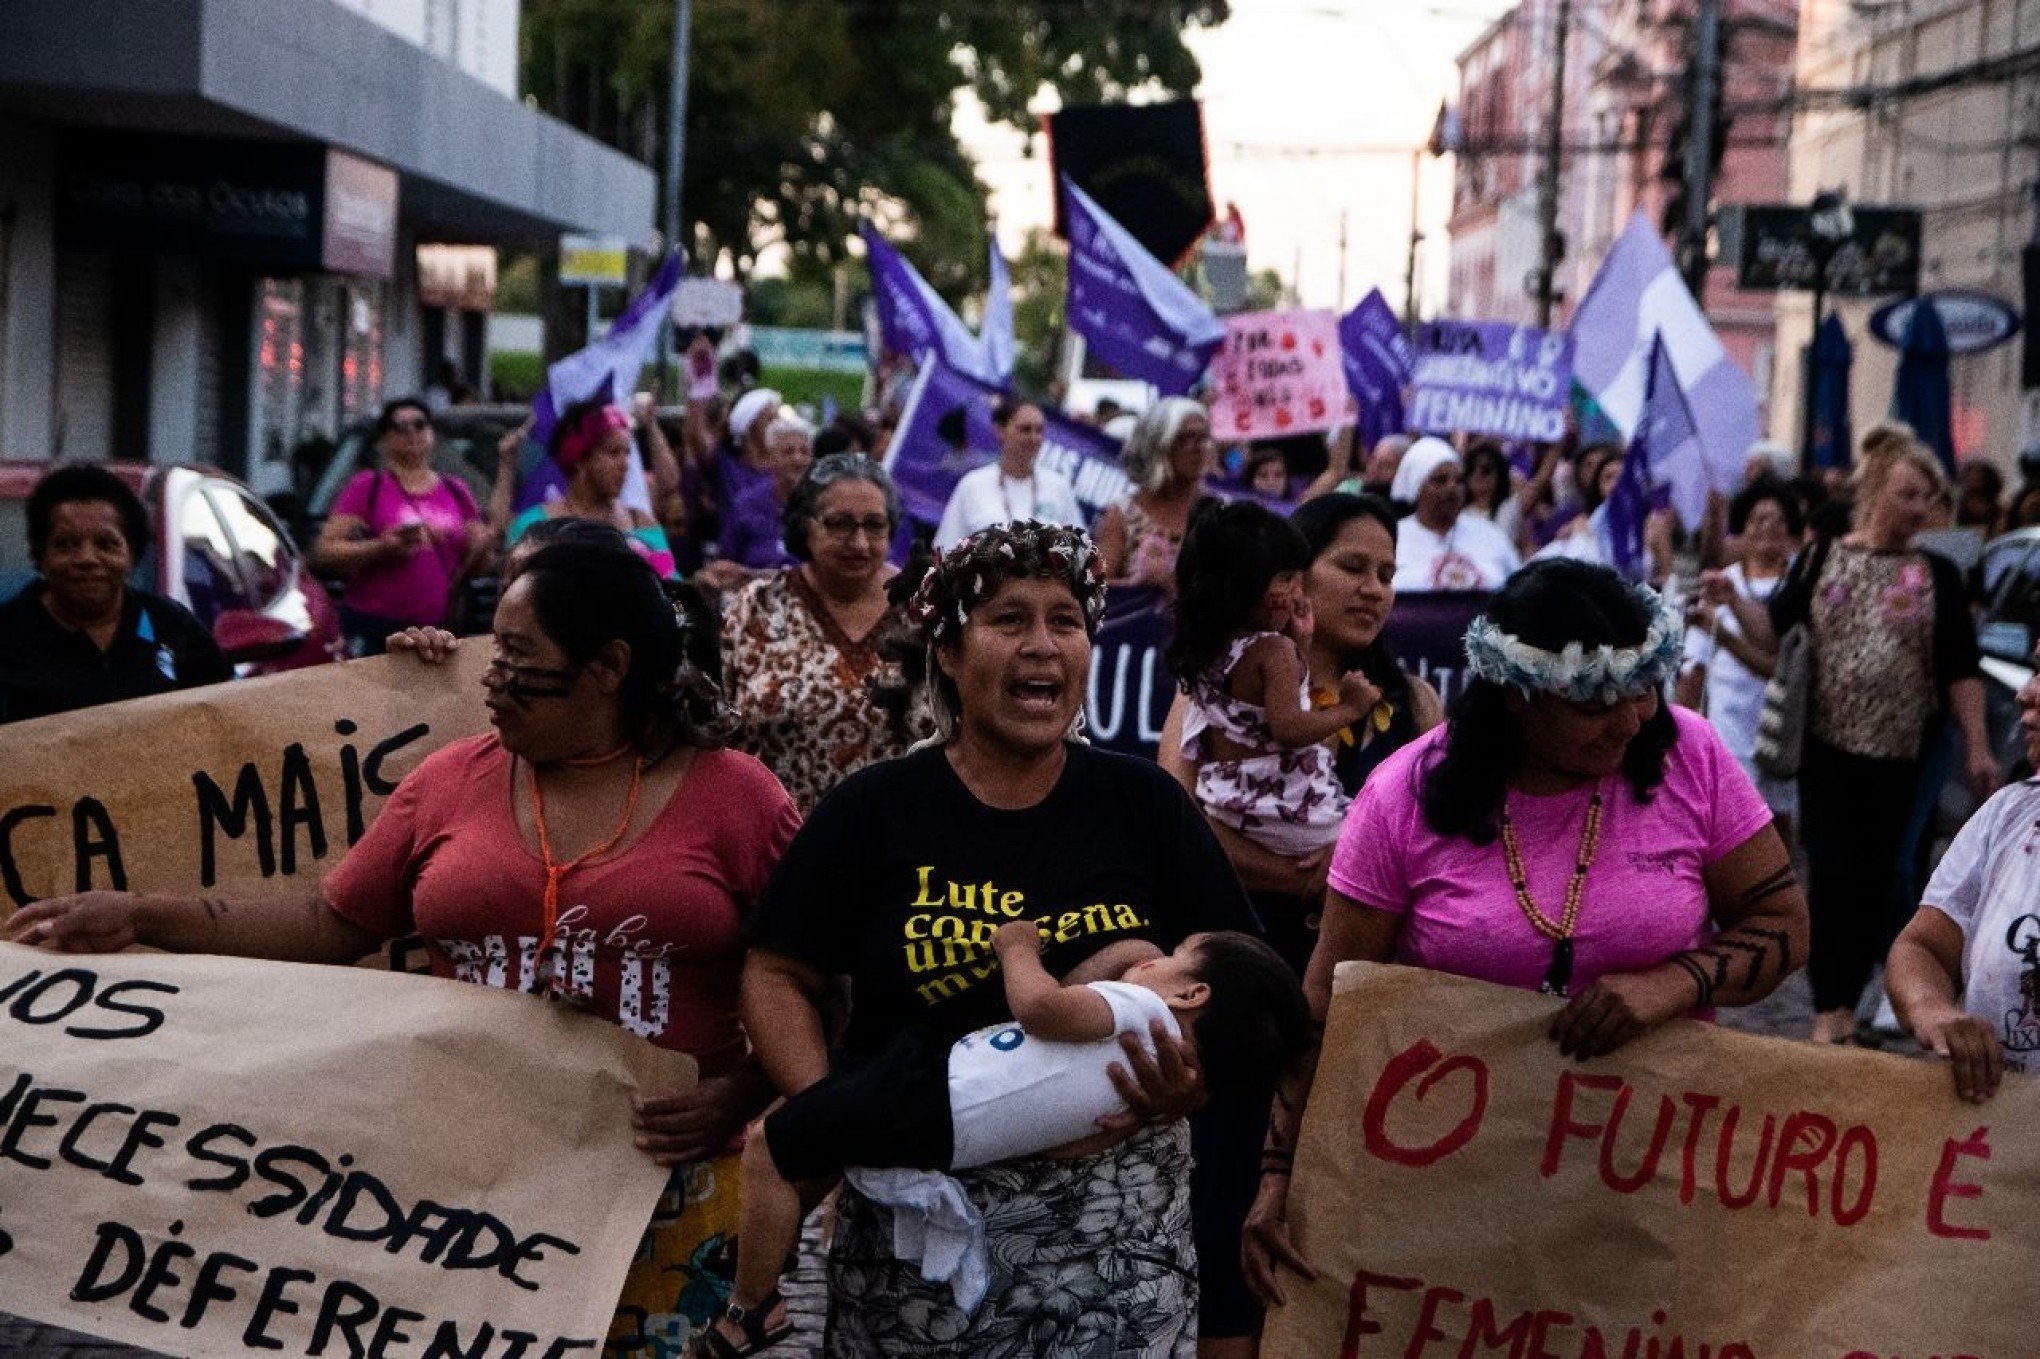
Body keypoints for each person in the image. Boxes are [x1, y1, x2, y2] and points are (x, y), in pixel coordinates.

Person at [6, 535, 801, 1352]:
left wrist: (738, 1093)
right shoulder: (451, 777)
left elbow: (820, 985)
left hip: (668, 1190)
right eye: (488, 651)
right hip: (458, 1191)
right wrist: (142, 918)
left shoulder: (739, 799)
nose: (489, 677)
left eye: (516, 657)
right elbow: (332, 923)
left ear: (607, 667)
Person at [739, 521, 1262, 1356]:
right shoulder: (874, 808)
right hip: (915, 1256)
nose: (1043, 646)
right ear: (946, 650)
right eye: (1009, 619)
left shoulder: (1145, 804)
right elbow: (776, 970)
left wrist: (1194, 1077)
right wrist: (832, 1120)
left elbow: (1240, 980)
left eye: (1066, 620)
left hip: (1114, 1258)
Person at [1241, 559, 1809, 1309]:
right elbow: (1328, 999)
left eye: (1642, 689)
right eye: (1593, 702)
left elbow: (1785, 925)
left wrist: (1674, 983)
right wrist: (1277, 1177)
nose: (1630, 719)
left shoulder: (1688, 755)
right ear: (1515, 696)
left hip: (1645, 1180)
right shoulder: (1404, 795)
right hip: (1447, 1194)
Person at [697, 925, 1309, 1357]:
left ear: (1191, 993)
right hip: (948, 1115)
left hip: (934, 1095)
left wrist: (1017, 948)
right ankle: (761, 1244)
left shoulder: (1136, 1012)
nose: (1150, 958)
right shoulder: (1143, 1075)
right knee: (814, 1135)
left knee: (773, 1144)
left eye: (1174, 954)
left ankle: (754, 1303)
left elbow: (1041, 1007)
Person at [1157, 491, 1441, 1352]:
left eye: (1388, 573)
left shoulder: (1415, 702)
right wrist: (1299, 873)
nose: (1374, 589)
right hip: (1254, 960)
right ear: (1289, 577)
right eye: (1351, 566)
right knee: (1235, 1175)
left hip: (1366, 984)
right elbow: (1181, 817)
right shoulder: (1228, 674)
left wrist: (1360, 883)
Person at [1703, 434, 1993, 1045]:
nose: (1919, 507)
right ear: (1877, 487)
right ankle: (1829, 1006)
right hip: (1827, 749)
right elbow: (1774, 626)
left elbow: (1961, 668)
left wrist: (1977, 745)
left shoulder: (1934, 572)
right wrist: (1734, 602)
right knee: (1831, 873)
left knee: (1879, 876)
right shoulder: (1822, 558)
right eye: (1907, 492)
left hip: (1899, 756)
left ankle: (1856, 990)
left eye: (1928, 497)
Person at [721, 454, 931, 814]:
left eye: (875, 525)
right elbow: (721, 728)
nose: (860, 543)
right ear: (805, 526)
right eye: (840, 524)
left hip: (900, 841)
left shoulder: (923, 611)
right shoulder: (758, 607)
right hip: (780, 844)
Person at [1169, 500, 1381, 856]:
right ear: (1246, 583)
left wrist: (1301, 643)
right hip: (1284, 814)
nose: (1299, 592)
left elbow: (1255, 711)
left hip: (1227, 805)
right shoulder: (1273, 651)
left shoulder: (1211, 649)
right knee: (1377, 837)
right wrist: (1351, 707)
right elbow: (1289, 730)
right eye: (1286, 579)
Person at [1885, 646, 2040, 1104]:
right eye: (2033, 669)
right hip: (1994, 1153)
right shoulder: (2008, 814)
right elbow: (1923, 948)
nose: (2024, 694)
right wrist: (1931, 1007)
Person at [0, 464, 232, 724]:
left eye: (106, 544)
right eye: (66, 545)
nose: (86, 558)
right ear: (40, 555)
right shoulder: (7, 636)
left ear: (131, 554)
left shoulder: (172, 627)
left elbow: (228, 723)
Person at [312, 397, 491, 654]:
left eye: (419, 425)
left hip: (440, 629)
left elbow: (482, 566)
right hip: (376, 629)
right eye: (399, 427)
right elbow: (325, 551)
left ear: (432, 434)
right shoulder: (368, 486)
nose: (411, 433)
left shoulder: (456, 490)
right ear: (384, 439)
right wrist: (381, 547)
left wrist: (482, 546)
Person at [1676, 479, 1804, 825]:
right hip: (1729, 728)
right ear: (1742, 531)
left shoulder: (1798, 588)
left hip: (1782, 727)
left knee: (1779, 824)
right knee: (1732, 822)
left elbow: (1785, 666)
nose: (1768, 527)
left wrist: (1726, 638)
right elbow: (1694, 665)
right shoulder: (1719, 585)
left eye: (1778, 520)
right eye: (1757, 519)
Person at [508, 396, 680, 578]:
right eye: (613, 453)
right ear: (579, 460)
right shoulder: (532, 526)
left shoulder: (643, 525)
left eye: (627, 453)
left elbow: (674, 595)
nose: (625, 464)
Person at [1094, 396, 1217, 586]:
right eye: (1186, 438)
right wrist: (1138, 583)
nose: (1199, 448)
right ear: (1158, 445)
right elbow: (1093, 592)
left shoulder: (1220, 514)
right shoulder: (1123, 516)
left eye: (1203, 437)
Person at [933, 399, 1084, 549]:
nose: (1034, 438)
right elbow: (945, 550)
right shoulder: (972, 485)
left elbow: (1080, 552)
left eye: (1039, 430)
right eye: (1025, 429)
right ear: (1000, 430)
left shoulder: (1058, 487)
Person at [1388, 436, 1521, 590]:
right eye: (1440, 480)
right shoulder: (1394, 539)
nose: (1452, 488)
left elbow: (1517, 591)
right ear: (1417, 488)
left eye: (1458, 480)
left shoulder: (1491, 535)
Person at [711, 411, 815, 580]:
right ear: (772, 457)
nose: (797, 459)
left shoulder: (822, 504)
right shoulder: (745, 504)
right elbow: (724, 564)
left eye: (804, 452)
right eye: (788, 452)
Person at [1461, 439, 1523, 547]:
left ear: (1499, 474)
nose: (1477, 476)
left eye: (1486, 470)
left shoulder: (1511, 507)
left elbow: (1525, 545)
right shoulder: (1458, 514)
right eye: (1471, 470)